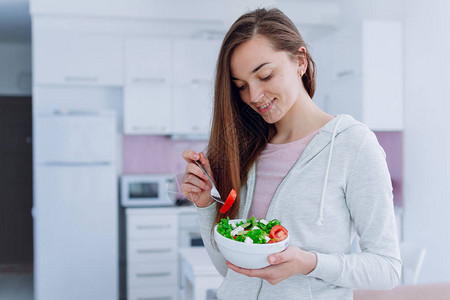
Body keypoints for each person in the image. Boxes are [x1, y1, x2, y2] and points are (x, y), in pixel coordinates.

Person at [181, 7, 401, 300]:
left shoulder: (354, 145)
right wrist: (207, 204)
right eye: (242, 86)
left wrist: (309, 263)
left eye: (266, 75)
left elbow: (387, 269)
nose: (254, 96)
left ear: (300, 61)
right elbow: (231, 270)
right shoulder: (247, 147)